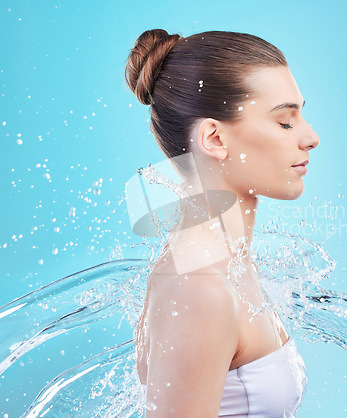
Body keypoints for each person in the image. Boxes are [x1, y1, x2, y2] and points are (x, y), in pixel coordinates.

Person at [124, 28, 320, 417]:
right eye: (285, 122)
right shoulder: (200, 291)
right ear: (214, 138)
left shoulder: (228, 264)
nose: (311, 137)